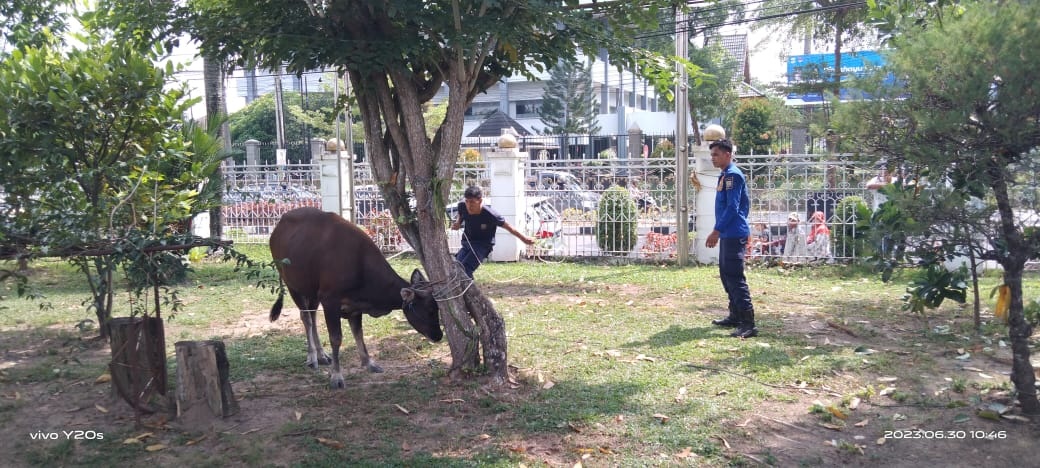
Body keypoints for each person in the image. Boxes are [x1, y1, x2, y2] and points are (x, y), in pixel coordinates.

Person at [705, 139, 757, 338]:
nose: (713, 158)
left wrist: (716, 230)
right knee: (726, 275)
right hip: (729, 232)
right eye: (712, 155)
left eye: (716, 154)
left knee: (735, 277)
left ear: (728, 154)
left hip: (733, 233)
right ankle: (735, 315)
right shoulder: (725, 175)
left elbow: (733, 207)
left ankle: (748, 323)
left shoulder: (733, 175)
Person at [450, 185, 534, 278]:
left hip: (482, 245)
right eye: (467, 201)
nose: (469, 205)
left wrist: (524, 238)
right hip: (467, 243)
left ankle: (471, 291)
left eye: (472, 202)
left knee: (466, 269)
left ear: (480, 201)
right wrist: (458, 223)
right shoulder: (462, 206)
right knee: (456, 268)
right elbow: (461, 214)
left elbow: (508, 227)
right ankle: (458, 291)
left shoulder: (491, 215)